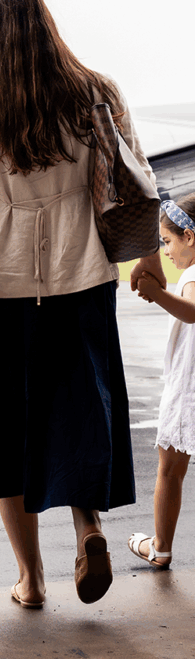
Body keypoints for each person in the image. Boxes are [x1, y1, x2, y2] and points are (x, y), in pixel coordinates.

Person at [0, 0, 164, 608]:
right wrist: (147, 263)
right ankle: (88, 527)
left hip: (2, 290)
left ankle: (30, 578)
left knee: (6, 430)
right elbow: (139, 179)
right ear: (45, 21)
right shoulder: (97, 91)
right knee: (79, 414)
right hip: (85, 280)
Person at [128, 195, 195, 569]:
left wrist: (157, 294)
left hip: (189, 387)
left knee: (169, 469)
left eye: (167, 242)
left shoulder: (192, 273)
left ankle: (161, 547)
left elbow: (192, 312)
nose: (165, 251)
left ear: (189, 236)